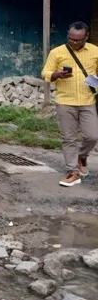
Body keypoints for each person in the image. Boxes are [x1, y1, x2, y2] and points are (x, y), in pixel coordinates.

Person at [42, 21, 98, 187]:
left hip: (88, 102)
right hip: (65, 101)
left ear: (86, 37)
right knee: (69, 138)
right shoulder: (57, 52)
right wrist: (56, 74)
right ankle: (72, 172)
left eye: (78, 40)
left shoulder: (95, 52)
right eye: (71, 39)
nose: (74, 42)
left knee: (92, 136)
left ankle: (82, 155)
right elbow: (45, 72)